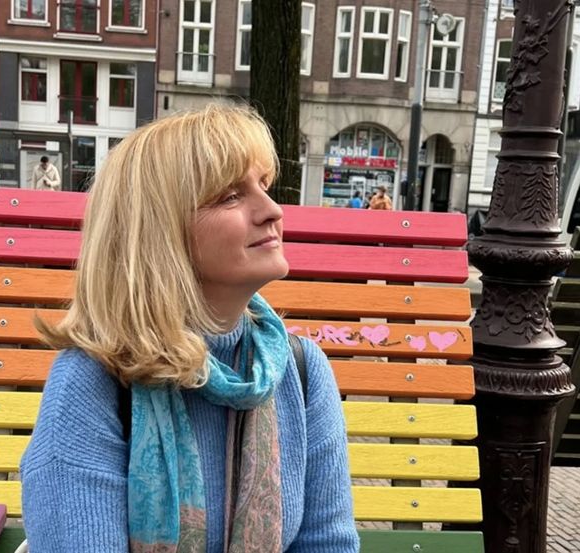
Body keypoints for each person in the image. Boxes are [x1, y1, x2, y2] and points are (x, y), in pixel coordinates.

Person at [19, 105, 359, 552]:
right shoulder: (92, 381)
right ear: (158, 231)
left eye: (263, 185)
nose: (272, 210)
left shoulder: (301, 370)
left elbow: (327, 543)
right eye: (230, 195)